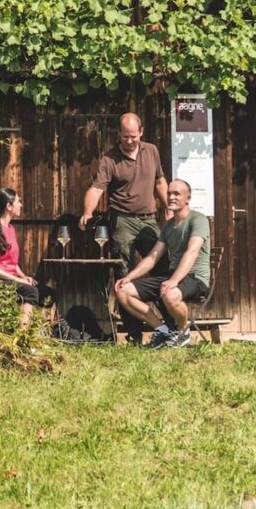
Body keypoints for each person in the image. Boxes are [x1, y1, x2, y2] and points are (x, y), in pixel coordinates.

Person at [112, 179, 211, 348]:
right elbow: (152, 257)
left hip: (195, 277)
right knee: (122, 290)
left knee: (170, 293)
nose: (171, 197)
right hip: (173, 276)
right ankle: (164, 331)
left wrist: (173, 281)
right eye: (169, 193)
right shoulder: (168, 226)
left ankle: (182, 332)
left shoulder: (198, 219)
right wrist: (129, 277)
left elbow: (191, 252)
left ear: (187, 198)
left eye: (176, 194)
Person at [78, 112, 168, 270]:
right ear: (119, 133)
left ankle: (155, 295)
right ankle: (124, 294)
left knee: (161, 263)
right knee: (124, 268)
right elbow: (97, 189)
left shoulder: (152, 151)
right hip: (123, 220)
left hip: (149, 219)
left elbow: (160, 182)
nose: (129, 141)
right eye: (125, 136)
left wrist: (170, 207)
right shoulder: (109, 159)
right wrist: (87, 212)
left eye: (133, 136)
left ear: (141, 131)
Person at [0, 187, 39, 326]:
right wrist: (16, 279)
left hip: (11, 279)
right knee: (31, 292)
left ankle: (37, 333)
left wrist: (23, 277)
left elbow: (11, 262)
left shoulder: (11, 229)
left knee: (46, 291)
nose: (21, 205)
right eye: (18, 201)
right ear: (9, 206)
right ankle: (22, 338)